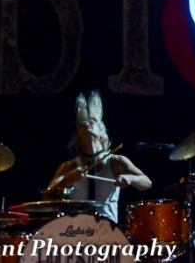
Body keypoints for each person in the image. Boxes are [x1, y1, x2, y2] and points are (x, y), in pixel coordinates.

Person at [46, 90, 152, 223]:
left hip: (107, 228)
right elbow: (48, 195)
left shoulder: (115, 161)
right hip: (76, 230)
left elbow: (147, 182)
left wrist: (130, 178)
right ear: (78, 136)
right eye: (83, 125)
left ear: (102, 135)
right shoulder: (69, 166)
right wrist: (69, 178)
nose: (87, 124)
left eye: (92, 123)